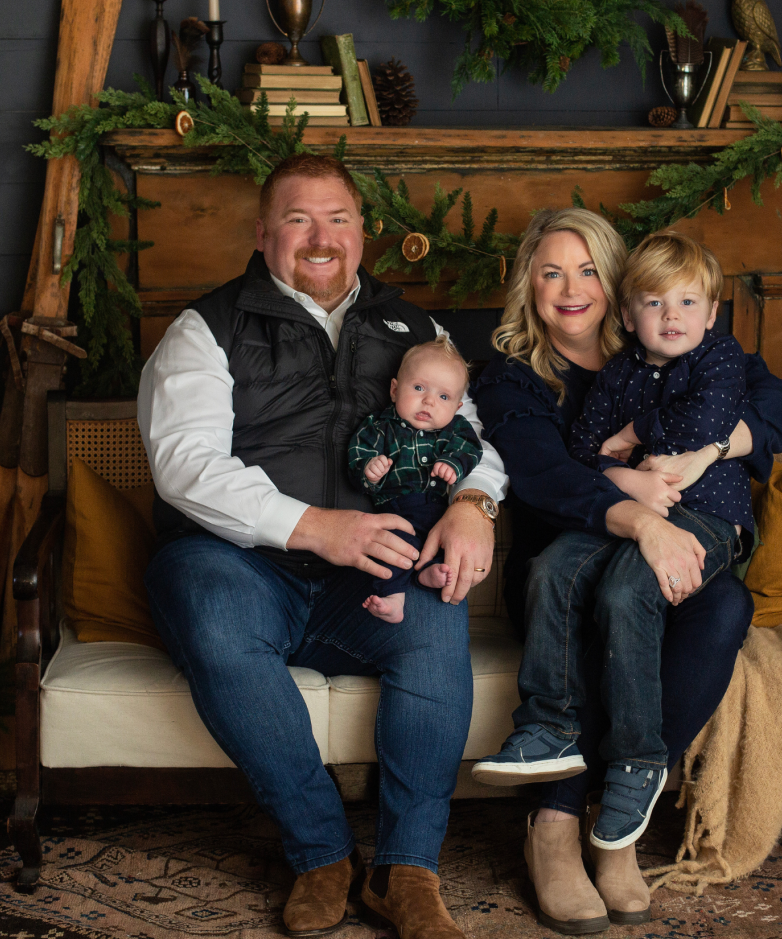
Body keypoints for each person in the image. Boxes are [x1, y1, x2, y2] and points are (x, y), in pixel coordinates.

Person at [138, 153, 507, 939]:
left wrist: (476, 501)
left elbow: (470, 431)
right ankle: (322, 853)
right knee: (210, 606)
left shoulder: (415, 327)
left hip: (367, 578)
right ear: (265, 231)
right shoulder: (206, 327)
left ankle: (405, 870)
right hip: (237, 564)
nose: (320, 236)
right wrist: (313, 526)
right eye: (299, 218)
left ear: (363, 233)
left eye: (337, 218)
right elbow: (183, 464)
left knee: (437, 610)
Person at [470, 208, 782, 935]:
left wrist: (713, 449)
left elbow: (778, 401)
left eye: (588, 268)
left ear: (616, 282)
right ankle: (555, 821)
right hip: (564, 561)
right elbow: (548, 476)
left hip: (677, 540)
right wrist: (642, 516)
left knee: (723, 609)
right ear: (527, 283)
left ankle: (618, 814)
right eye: (551, 270)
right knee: (591, 603)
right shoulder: (510, 379)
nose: (570, 287)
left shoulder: (674, 342)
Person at [349, 337, 483, 622]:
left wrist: (454, 464)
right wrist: (369, 468)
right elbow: (358, 452)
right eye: (419, 388)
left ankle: (429, 573)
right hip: (394, 512)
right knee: (391, 546)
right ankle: (393, 598)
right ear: (395, 389)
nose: (429, 401)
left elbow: (470, 448)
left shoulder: (454, 429)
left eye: (443, 397)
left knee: (447, 545)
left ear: (457, 407)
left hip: (438, 512)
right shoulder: (380, 426)